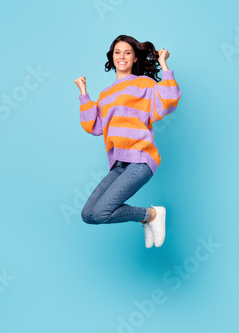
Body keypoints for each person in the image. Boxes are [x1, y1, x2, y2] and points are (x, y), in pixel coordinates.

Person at [74, 34, 182, 248]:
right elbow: (94, 126)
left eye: (127, 52)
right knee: (88, 215)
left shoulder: (144, 83)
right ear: (112, 57)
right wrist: (84, 95)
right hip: (119, 165)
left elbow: (169, 100)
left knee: (102, 212)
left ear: (134, 59)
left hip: (141, 160)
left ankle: (152, 215)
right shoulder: (106, 94)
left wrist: (163, 64)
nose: (122, 56)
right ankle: (148, 217)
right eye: (117, 52)